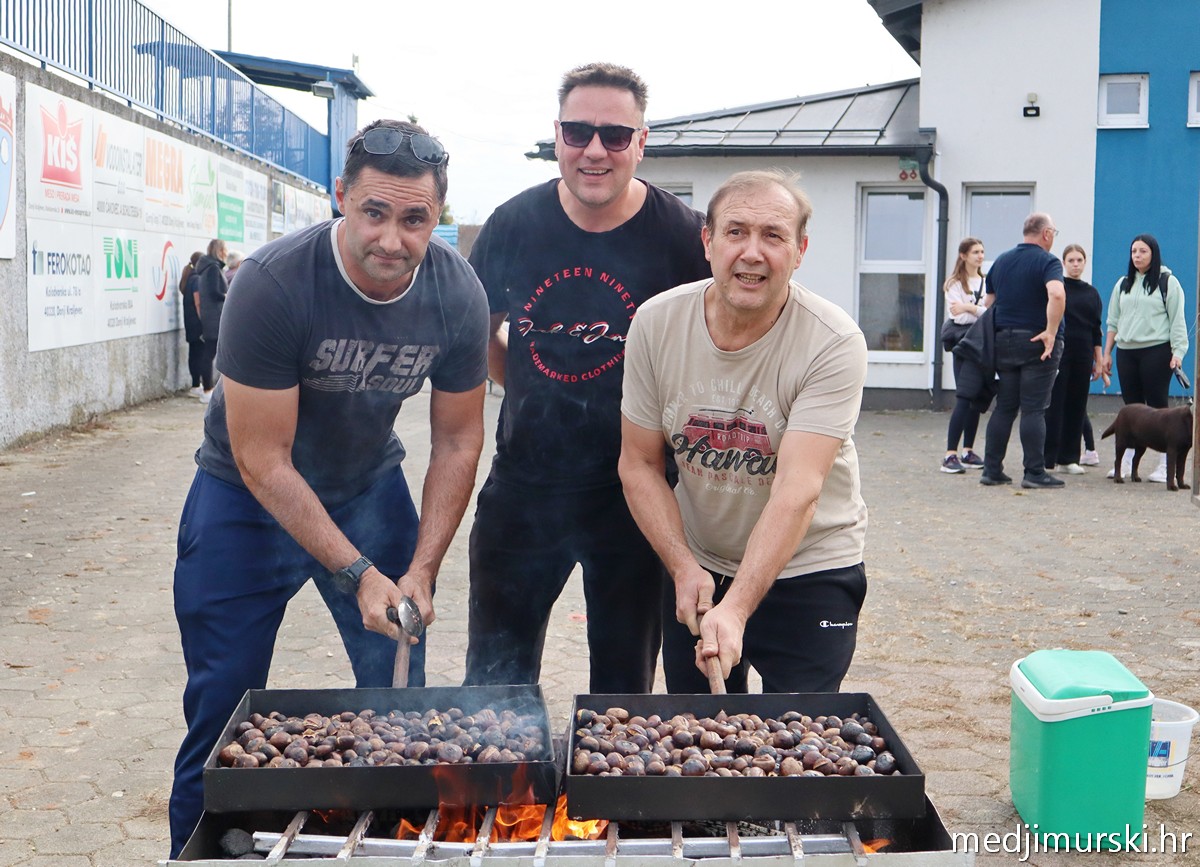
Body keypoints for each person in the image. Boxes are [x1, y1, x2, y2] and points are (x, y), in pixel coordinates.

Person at [167, 119, 489, 857]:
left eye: (415, 220)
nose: (392, 239)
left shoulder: (456, 292)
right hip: (242, 499)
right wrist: (359, 572)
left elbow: (459, 440)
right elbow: (263, 459)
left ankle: (397, 845)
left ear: (437, 216)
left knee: (401, 698)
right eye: (374, 212)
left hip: (367, 486)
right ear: (341, 196)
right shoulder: (274, 282)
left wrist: (422, 567)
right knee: (220, 714)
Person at [463, 62, 711, 694]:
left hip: (636, 494)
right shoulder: (513, 224)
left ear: (641, 142)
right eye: (578, 132)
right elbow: (478, 334)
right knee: (494, 686)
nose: (595, 150)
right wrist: (524, 387)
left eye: (615, 135)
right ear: (557, 136)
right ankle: (508, 765)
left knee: (623, 693)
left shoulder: (683, 237)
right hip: (523, 488)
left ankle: (605, 767)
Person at [619, 169, 868, 694]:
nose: (752, 253)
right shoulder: (655, 324)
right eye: (736, 232)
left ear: (800, 251)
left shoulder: (833, 341)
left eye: (773, 236)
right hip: (700, 565)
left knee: (799, 733)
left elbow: (798, 490)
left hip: (810, 568)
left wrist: (736, 608)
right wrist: (682, 566)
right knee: (698, 732)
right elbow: (638, 463)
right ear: (708, 242)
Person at [979, 213, 1066, 489]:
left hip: (1003, 341)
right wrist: (1051, 331)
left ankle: (992, 470)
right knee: (1034, 409)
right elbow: (1057, 294)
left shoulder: (1002, 261)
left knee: (1005, 407)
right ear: (1046, 234)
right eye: (1054, 233)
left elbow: (988, 303)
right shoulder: (1048, 261)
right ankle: (1034, 473)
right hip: (1037, 342)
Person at [1102, 233, 1189, 483]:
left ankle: (1164, 465)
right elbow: (1112, 321)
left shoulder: (1167, 282)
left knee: (1159, 406)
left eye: (1143, 251)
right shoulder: (1123, 284)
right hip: (1126, 351)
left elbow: (1177, 320)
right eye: (1134, 252)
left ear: (1153, 254)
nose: (1137, 256)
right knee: (1132, 408)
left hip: (1157, 350)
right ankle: (1127, 462)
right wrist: (1107, 353)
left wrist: (1178, 353)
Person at [1043, 244, 1104, 474]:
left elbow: (1096, 329)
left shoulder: (1092, 293)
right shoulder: (1058, 288)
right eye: (1071, 260)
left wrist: (1098, 360)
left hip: (1083, 353)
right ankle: (1048, 459)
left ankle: (1069, 459)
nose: (1076, 264)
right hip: (1060, 351)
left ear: (1085, 263)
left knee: (1077, 405)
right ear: (1064, 263)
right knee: (1054, 404)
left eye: (1079, 260)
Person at [940, 237, 988, 473]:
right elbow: (957, 317)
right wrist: (977, 311)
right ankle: (950, 454)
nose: (980, 256)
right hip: (964, 345)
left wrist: (969, 307)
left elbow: (990, 313)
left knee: (976, 398)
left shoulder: (986, 282)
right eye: (975, 252)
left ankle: (968, 450)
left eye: (982, 252)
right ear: (963, 256)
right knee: (964, 396)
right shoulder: (954, 284)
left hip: (982, 344)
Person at [193, 239, 227, 404]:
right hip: (215, 317)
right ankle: (208, 388)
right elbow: (215, 292)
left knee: (209, 352)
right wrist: (227, 296)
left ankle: (207, 387)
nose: (226, 253)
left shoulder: (207, 268)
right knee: (210, 353)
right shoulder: (213, 268)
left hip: (210, 316)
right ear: (219, 251)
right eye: (224, 249)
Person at [179, 251, 206, 398]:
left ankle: (196, 384)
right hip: (197, 323)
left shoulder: (189, 278)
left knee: (194, 353)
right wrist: (204, 321)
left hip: (190, 323)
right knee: (199, 355)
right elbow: (198, 302)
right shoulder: (197, 279)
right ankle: (197, 385)